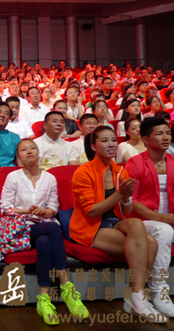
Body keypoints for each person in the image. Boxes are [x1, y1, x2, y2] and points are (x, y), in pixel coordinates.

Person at [70, 126, 164, 322]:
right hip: (91, 226)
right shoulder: (83, 172)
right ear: (93, 146)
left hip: (114, 222)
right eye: (104, 141)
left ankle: (136, 295)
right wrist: (119, 194)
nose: (111, 144)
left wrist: (127, 198)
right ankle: (137, 297)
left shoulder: (120, 171)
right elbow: (92, 211)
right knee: (151, 244)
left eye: (113, 140)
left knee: (138, 227)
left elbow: (127, 212)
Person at [0, 139, 88, 325]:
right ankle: (67, 288)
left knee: (44, 242)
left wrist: (44, 212)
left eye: (33, 147)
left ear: (39, 153)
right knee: (53, 227)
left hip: (43, 226)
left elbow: (53, 207)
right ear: (18, 158)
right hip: (21, 229)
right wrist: (28, 211)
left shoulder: (49, 178)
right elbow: (5, 207)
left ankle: (43, 299)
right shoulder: (13, 177)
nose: (29, 151)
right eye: (24, 149)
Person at [124, 117, 174, 317]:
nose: (165, 137)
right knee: (164, 230)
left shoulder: (172, 161)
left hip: (169, 218)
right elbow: (132, 202)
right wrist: (164, 218)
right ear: (145, 139)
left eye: (168, 133)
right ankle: (158, 290)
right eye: (159, 134)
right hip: (142, 221)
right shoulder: (135, 163)